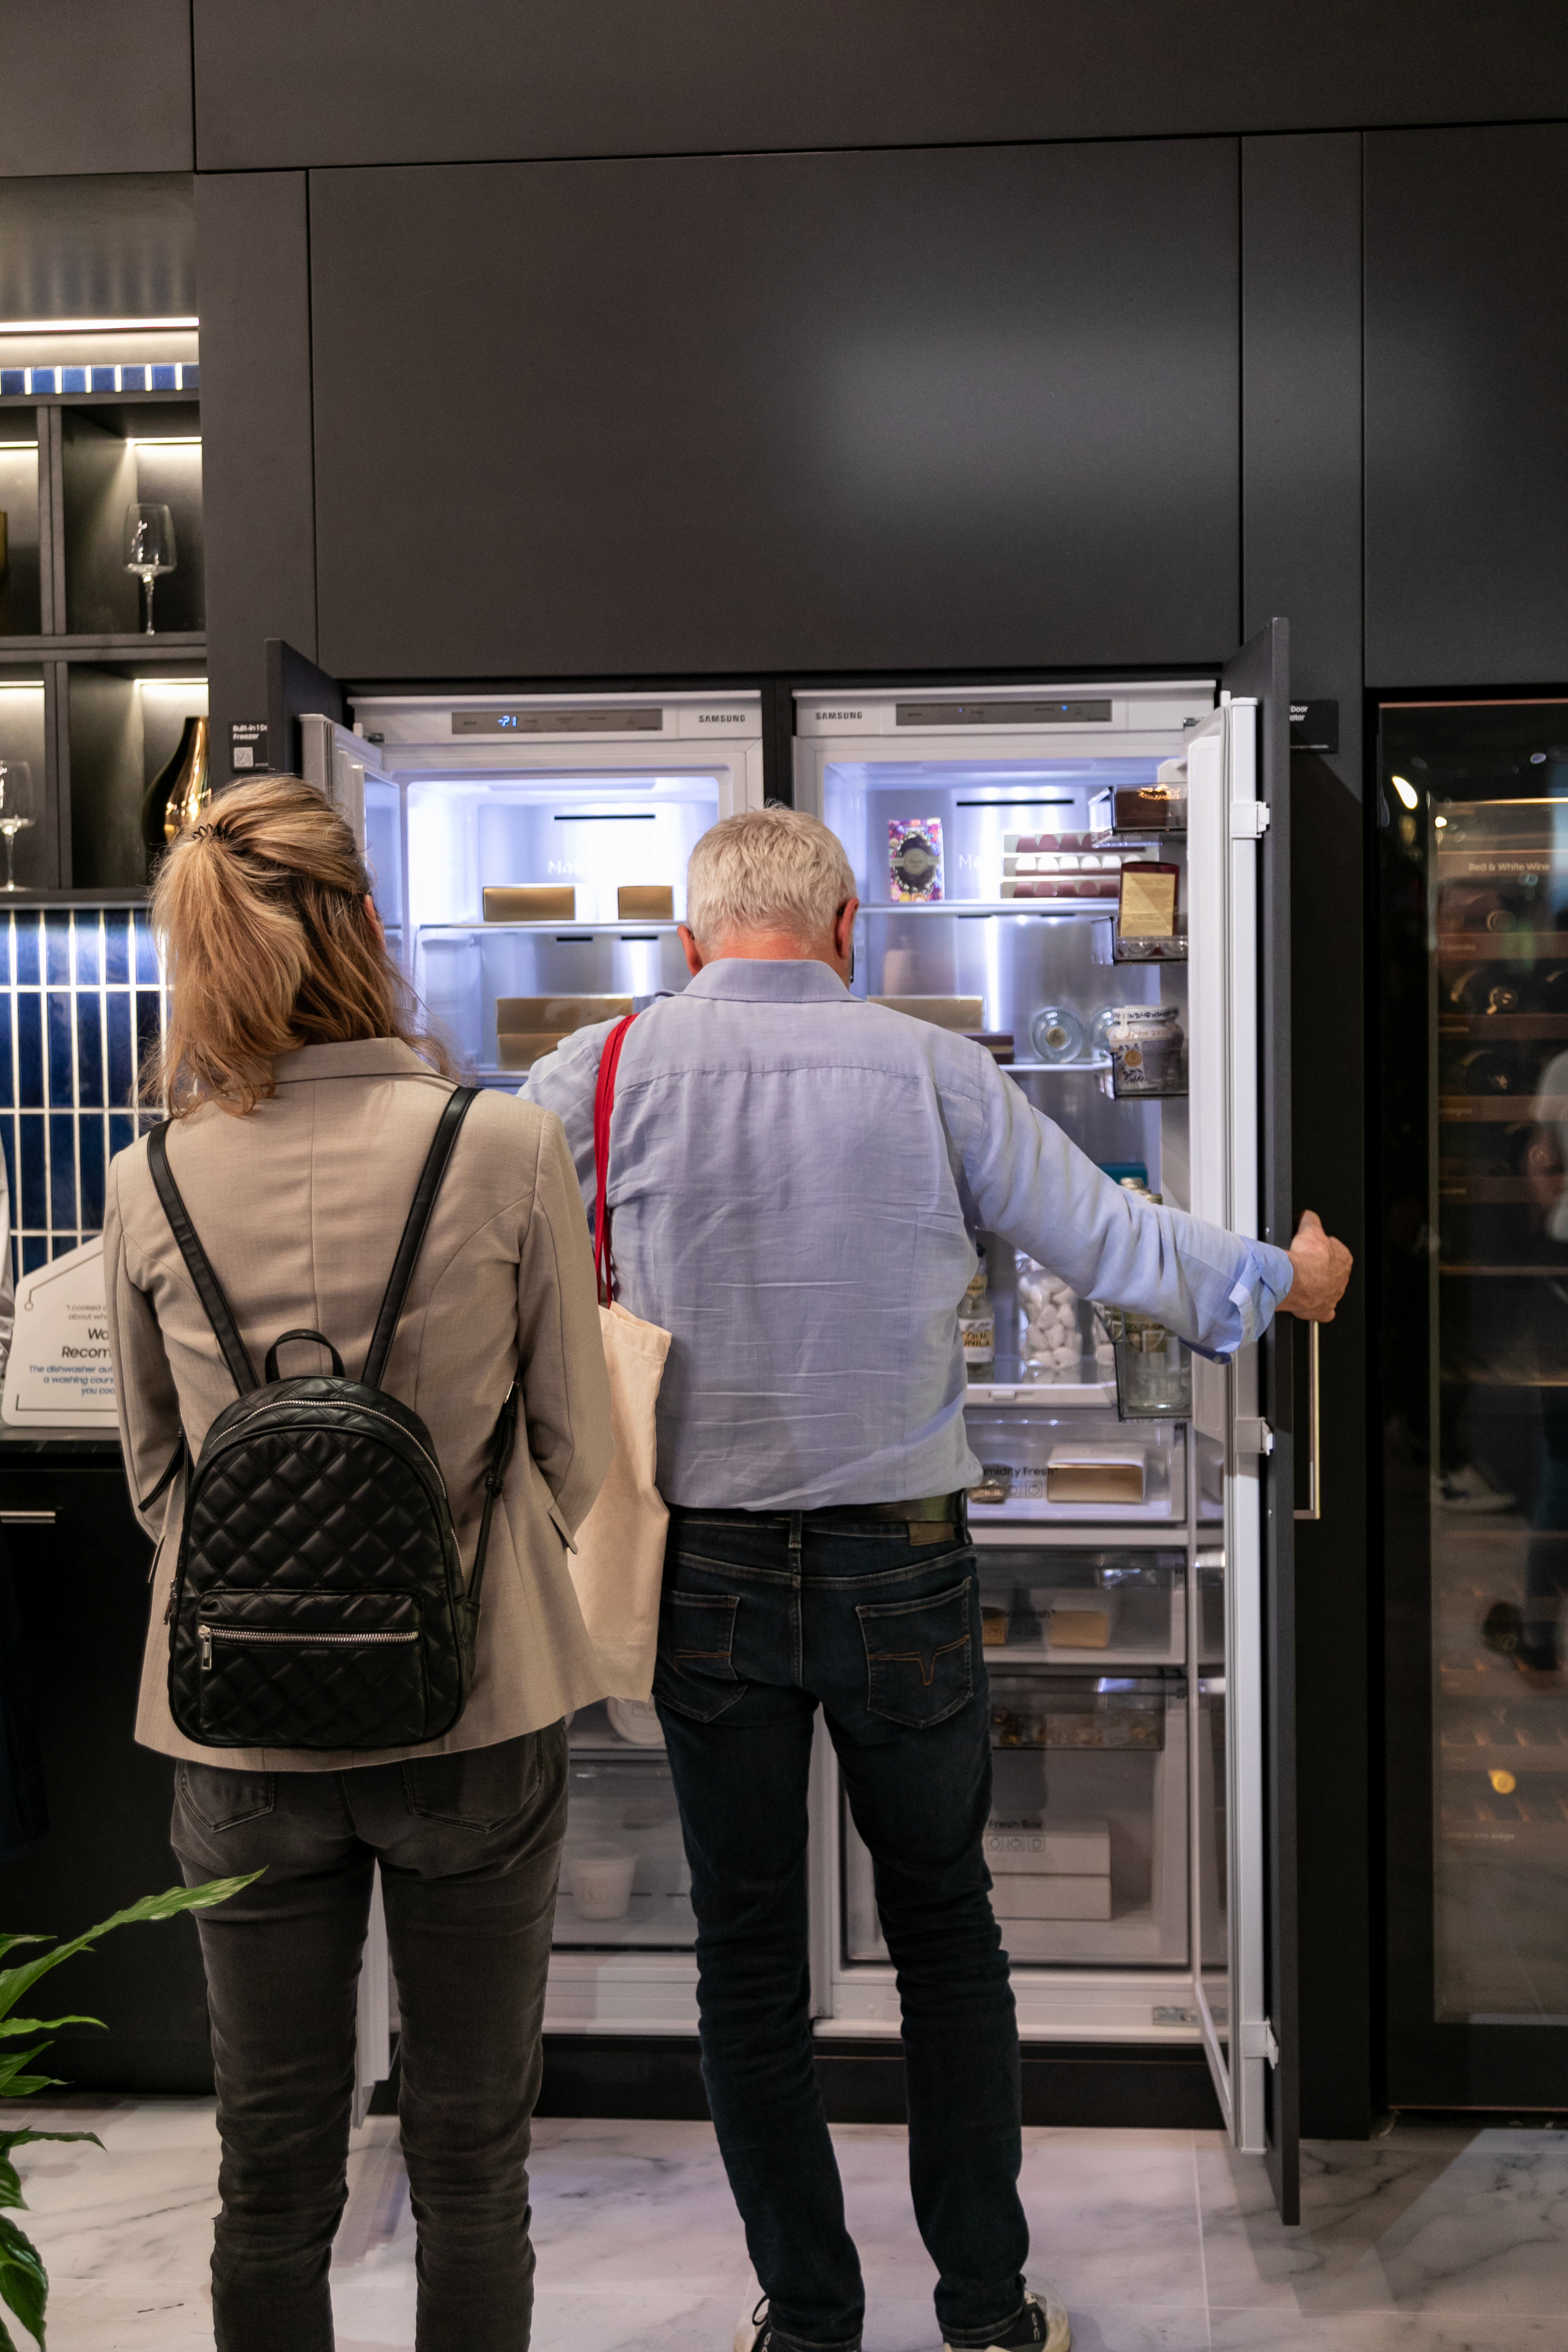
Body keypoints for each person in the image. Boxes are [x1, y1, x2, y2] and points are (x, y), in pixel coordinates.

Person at [524, 804, 1353, 2352]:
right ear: (849, 929)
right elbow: (1111, 1241)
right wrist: (1281, 1280)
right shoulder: (929, 1070)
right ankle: (983, 2313)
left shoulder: (598, 1071)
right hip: (898, 1563)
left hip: (698, 1569)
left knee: (745, 1959)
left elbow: (476, 1258)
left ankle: (807, 2321)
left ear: (689, 940)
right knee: (947, 1939)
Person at [103, 775, 613, 2352]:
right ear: (369, 929)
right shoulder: (504, 1144)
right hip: (475, 1711)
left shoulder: (151, 1175)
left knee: (269, 2161)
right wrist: (462, 1569)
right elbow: (576, 1450)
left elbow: (154, 1480)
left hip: (235, 1728)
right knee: (470, 2153)